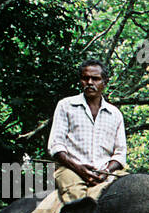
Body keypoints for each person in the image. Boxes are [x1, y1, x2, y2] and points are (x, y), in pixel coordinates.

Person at [47, 59, 127, 203]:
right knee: (79, 203)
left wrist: (106, 172)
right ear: (81, 81)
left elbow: (120, 153)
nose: (90, 82)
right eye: (85, 78)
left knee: (134, 193)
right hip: (70, 170)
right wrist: (79, 169)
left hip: (105, 172)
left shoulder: (115, 114)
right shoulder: (66, 105)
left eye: (95, 79)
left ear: (104, 82)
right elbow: (56, 146)